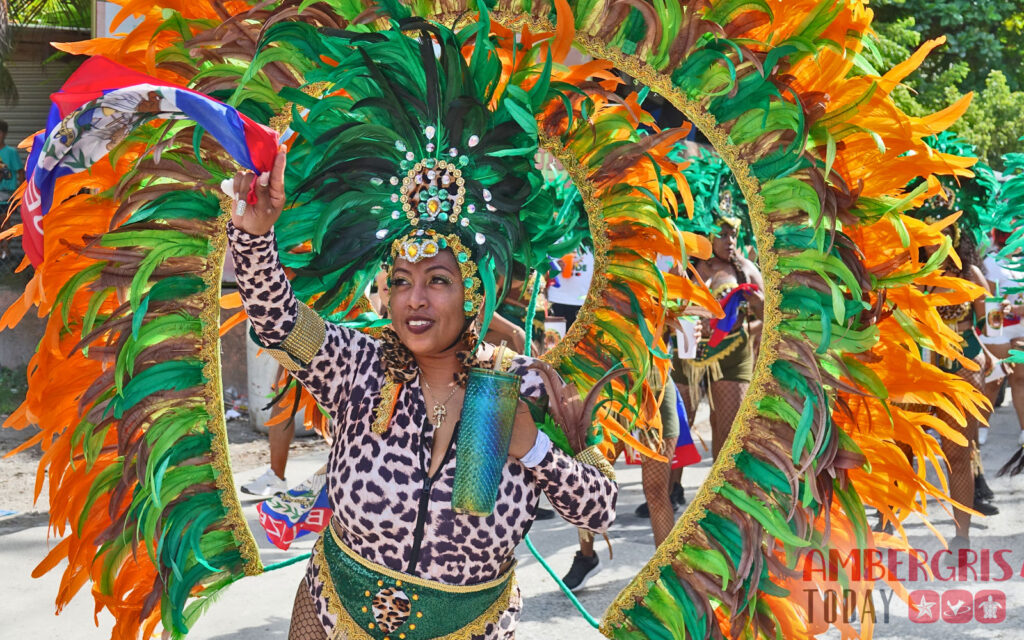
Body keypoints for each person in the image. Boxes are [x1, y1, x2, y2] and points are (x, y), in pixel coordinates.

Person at [677, 217, 763, 458]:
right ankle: (672, 492)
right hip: (687, 353)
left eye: (734, 235)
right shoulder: (687, 266)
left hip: (732, 354)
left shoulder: (745, 269)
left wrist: (752, 315)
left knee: (727, 429)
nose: (730, 241)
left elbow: (770, 317)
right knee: (679, 427)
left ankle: (719, 491)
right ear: (708, 236)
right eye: (723, 234)